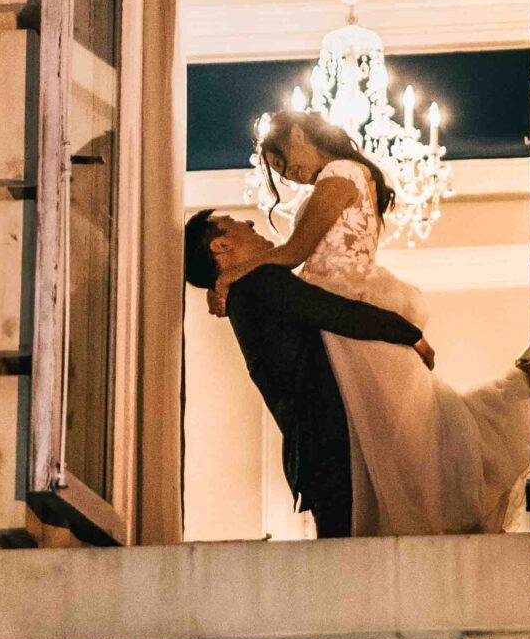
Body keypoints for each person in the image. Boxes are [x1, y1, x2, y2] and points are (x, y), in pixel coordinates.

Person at [211, 108, 530, 537]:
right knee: (390, 446)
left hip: (343, 297)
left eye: (283, 163)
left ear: (301, 134)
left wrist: (232, 274)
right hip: (338, 301)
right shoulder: (350, 175)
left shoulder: (340, 173)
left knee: (389, 444)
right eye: (279, 173)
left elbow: (293, 252)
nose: (290, 177)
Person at [184, 207, 433, 540]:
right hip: (329, 445)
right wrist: (411, 335)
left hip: (314, 450)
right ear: (220, 246)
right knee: (350, 558)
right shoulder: (258, 282)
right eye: (233, 224)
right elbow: (337, 313)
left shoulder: (245, 296)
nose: (248, 223)